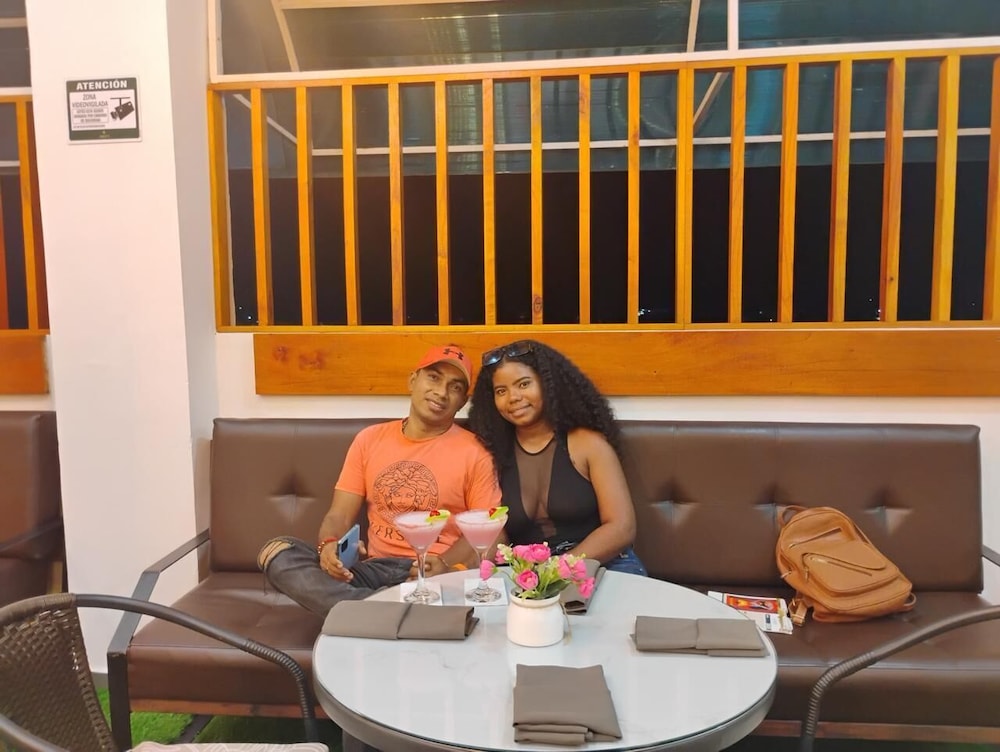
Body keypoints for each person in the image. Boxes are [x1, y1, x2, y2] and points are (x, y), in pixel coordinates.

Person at [258, 345, 501, 615]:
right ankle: (395, 612)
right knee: (278, 552)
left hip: (433, 573)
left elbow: (490, 530)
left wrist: (446, 566)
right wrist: (328, 545)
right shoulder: (369, 439)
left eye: (454, 387)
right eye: (433, 378)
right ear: (412, 381)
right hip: (373, 570)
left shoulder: (475, 452)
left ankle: (366, 613)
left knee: (434, 591)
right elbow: (339, 514)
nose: (441, 392)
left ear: (462, 401)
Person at [468, 340, 646, 575]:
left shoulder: (588, 444)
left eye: (524, 384)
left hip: (602, 564)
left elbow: (621, 528)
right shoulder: (492, 453)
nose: (513, 397)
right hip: (529, 574)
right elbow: (495, 533)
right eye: (501, 391)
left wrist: (558, 569)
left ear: (547, 384)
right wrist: (459, 570)